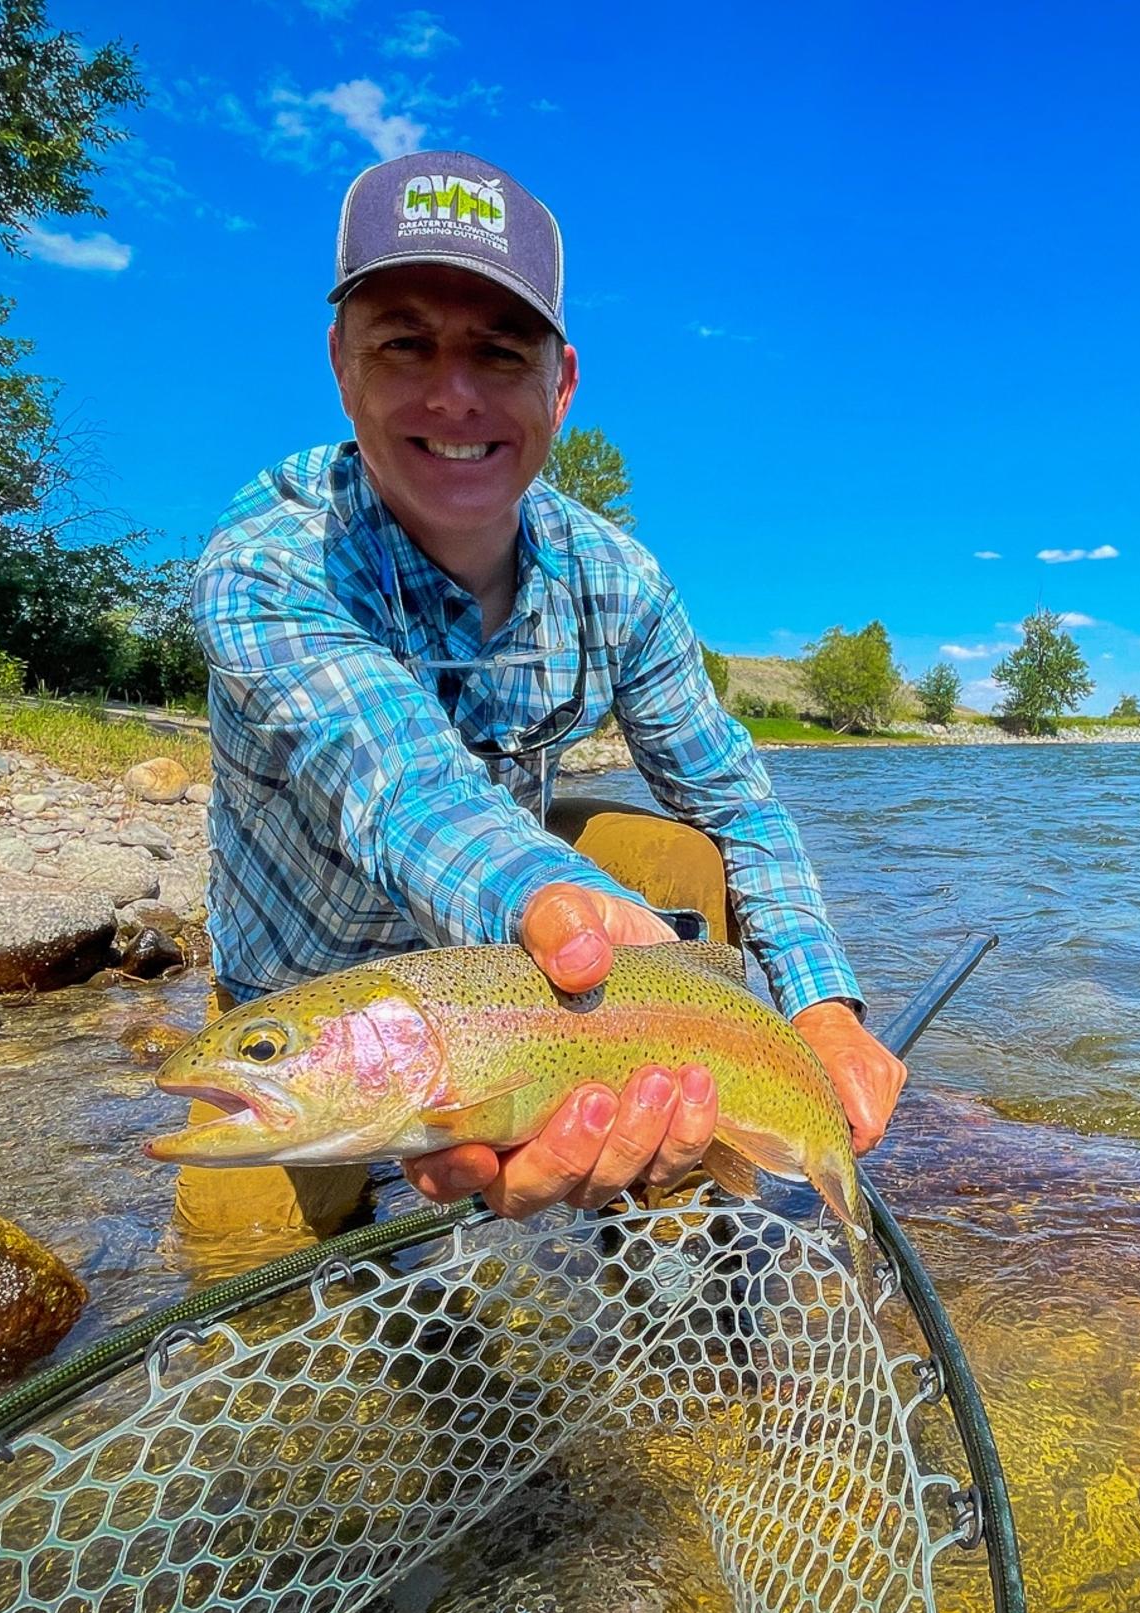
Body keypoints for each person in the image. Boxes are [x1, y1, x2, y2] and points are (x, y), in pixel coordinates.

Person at [181, 148, 905, 1239]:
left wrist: (823, 1013)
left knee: (679, 854)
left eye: (498, 351)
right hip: (305, 978)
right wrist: (556, 905)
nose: (453, 394)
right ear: (341, 363)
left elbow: (736, 803)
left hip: (529, 989)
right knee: (236, 1282)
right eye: (404, 343)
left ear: (559, 382)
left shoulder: (618, 581)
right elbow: (408, 788)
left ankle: (671, 1164)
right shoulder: (268, 563)